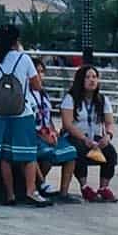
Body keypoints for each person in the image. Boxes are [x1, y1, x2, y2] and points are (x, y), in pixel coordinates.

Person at [0, 23, 50, 206]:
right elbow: (37, 86)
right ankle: (31, 191)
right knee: (28, 155)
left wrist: (0, 94)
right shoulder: (24, 59)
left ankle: (10, 195)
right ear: (16, 41)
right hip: (22, 113)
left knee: (5, 157)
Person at [58, 64, 118, 202]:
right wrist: (84, 139)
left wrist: (108, 136)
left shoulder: (103, 100)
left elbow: (109, 122)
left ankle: (103, 187)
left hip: (94, 136)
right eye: (88, 77)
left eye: (94, 77)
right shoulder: (70, 98)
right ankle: (84, 186)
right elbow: (68, 124)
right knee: (79, 150)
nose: (92, 80)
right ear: (81, 80)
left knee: (110, 152)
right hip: (76, 135)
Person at [30, 58, 79, 203]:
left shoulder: (43, 94)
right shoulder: (25, 94)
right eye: (36, 72)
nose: (40, 75)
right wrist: (43, 135)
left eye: (42, 72)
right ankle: (39, 185)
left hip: (47, 132)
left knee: (70, 151)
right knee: (48, 153)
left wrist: (53, 132)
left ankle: (63, 192)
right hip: (33, 135)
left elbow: (48, 117)